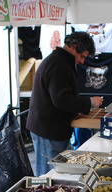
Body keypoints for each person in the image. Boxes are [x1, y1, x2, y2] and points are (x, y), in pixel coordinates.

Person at [26, 32, 103, 176]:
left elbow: (63, 96)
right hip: (47, 130)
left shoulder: (62, 61)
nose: (81, 61)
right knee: (48, 174)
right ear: (73, 47)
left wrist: (76, 110)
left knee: (58, 171)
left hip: (51, 128)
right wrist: (90, 102)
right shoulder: (58, 64)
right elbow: (61, 99)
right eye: (82, 56)